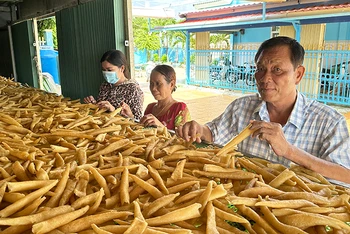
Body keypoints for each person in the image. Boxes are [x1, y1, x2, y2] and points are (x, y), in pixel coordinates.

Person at [176, 36, 350, 184]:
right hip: (242, 202)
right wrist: (199, 129)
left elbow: (345, 176)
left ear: (298, 75)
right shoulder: (242, 107)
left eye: (277, 70)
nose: (265, 78)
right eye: (260, 69)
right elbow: (213, 133)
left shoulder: (329, 121)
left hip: (297, 214)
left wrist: (288, 151)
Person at [84, 50, 143, 120]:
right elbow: (100, 109)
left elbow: (137, 120)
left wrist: (113, 110)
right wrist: (93, 104)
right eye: (103, 70)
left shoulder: (133, 89)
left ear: (122, 68)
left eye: (109, 70)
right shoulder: (105, 85)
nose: (106, 73)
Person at [140, 64, 190, 130]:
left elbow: (183, 139)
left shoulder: (179, 109)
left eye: (158, 84)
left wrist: (161, 127)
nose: (153, 88)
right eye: (151, 84)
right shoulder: (150, 108)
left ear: (171, 85)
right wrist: (130, 117)